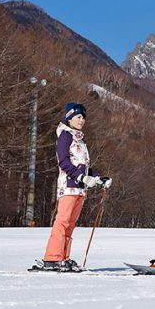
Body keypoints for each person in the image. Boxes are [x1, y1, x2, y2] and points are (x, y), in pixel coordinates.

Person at [34, 103, 111, 272]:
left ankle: (63, 257)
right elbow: (64, 163)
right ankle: (52, 258)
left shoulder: (80, 139)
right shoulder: (65, 136)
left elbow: (82, 166)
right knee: (62, 222)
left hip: (80, 189)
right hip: (68, 187)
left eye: (83, 117)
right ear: (69, 118)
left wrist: (98, 177)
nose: (81, 120)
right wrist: (82, 177)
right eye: (78, 117)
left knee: (70, 225)